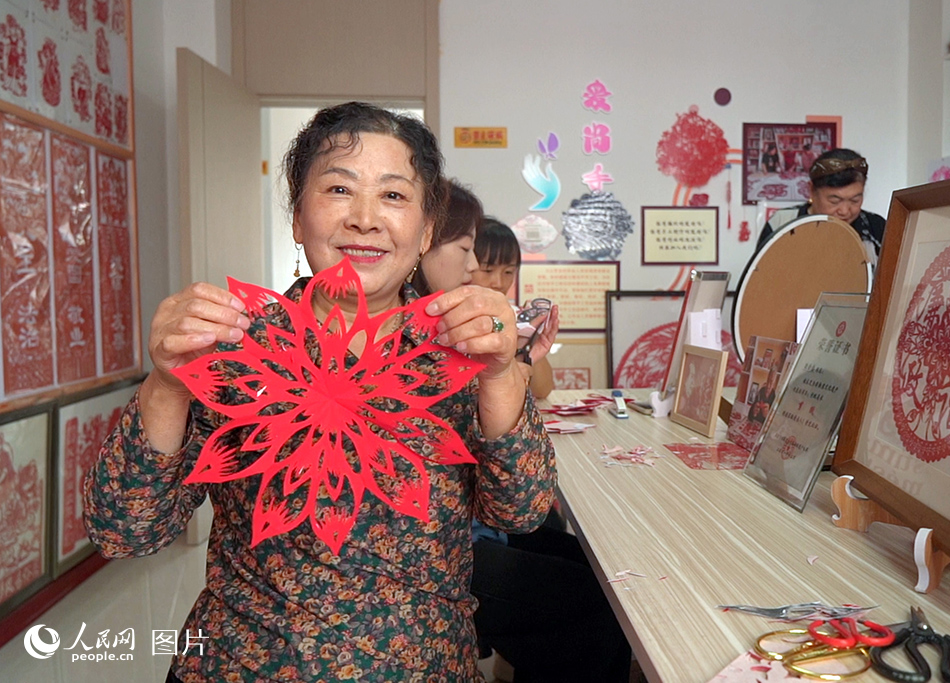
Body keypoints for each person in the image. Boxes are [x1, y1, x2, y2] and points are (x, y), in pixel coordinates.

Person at [84, 102, 556, 683]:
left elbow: (522, 510)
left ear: (427, 228)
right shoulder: (233, 345)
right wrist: (166, 382)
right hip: (246, 665)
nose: (364, 218)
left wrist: (501, 371)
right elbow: (125, 529)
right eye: (338, 188)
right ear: (297, 217)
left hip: (423, 665)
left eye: (393, 195)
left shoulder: (459, 352)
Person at [412, 217, 628, 683]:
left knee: (600, 576)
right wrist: (512, 366)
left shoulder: (489, 324)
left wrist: (527, 354)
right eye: (477, 261)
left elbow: (540, 389)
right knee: (598, 607)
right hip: (462, 544)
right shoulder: (446, 331)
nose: (487, 277)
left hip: (488, 523)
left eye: (505, 271)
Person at [471, 218, 558, 400]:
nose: (499, 283)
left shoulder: (517, 317)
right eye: (488, 270)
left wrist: (526, 344)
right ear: (466, 264)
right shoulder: (450, 315)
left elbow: (542, 391)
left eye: (508, 272)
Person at [756, 148, 887, 261]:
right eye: (834, 201)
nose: (845, 211)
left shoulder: (876, 228)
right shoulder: (782, 223)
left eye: (855, 200)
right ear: (811, 190)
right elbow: (759, 280)